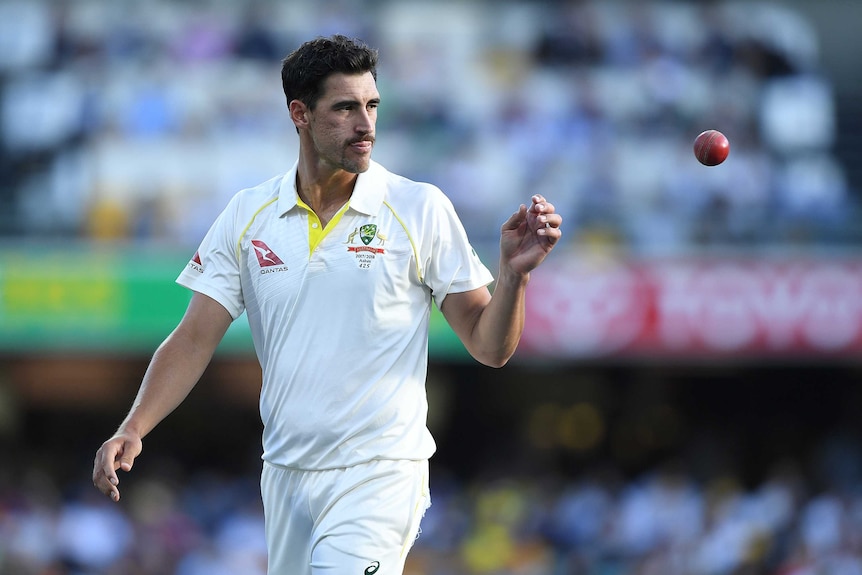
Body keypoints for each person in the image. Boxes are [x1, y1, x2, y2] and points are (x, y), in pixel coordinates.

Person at [93, 34, 562, 574]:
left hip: (379, 473)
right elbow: (194, 337)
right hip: (285, 474)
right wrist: (134, 426)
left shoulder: (419, 207)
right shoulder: (249, 213)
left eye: (372, 106)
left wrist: (512, 277)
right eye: (345, 108)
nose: (366, 124)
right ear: (300, 113)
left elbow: (489, 346)